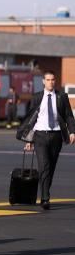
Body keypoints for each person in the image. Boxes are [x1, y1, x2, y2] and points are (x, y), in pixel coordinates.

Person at [18, 70, 75, 210]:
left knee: (51, 168)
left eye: (53, 79)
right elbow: (31, 120)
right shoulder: (37, 97)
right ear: (43, 81)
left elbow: (68, 116)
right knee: (44, 167)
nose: (51, 82)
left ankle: (45, 191)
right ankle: (45, 198)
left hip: (56, 136)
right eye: (48, 79)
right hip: (40, 136)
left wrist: (72, 131)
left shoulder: (62, 96)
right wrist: (29, 141)